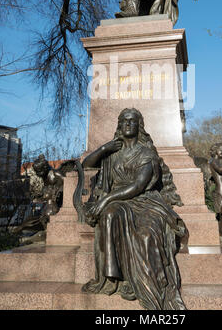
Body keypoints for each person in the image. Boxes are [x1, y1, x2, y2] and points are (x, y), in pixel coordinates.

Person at [77, 108, 187, 310]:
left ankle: (146, 285)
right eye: (124, 121)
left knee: (146, 235)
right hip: (119, 202)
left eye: (132, 121)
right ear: (119, 126)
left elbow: (138, 186)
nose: (128, 124)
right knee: (109, 214)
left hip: (145, 201)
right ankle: (112, 277)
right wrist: (104, 149)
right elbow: (86, 164)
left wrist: (105, 199)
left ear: (139, 126)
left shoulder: (146, 153)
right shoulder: (112, 154)